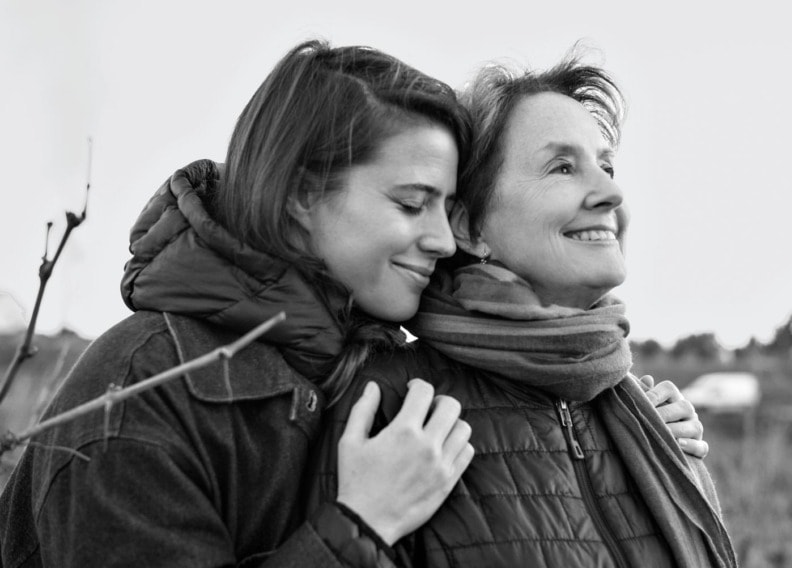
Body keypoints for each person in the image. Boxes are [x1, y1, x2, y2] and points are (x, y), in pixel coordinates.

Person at [0, 40, 476, 567]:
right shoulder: (141, 388)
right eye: (412, 203)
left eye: (448, 210)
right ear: (301, 196)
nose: (443, 240)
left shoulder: (382, 373)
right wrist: (358, 528)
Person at [310, 50, 737, 567]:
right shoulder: (394, 403)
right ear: (470, 228)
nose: (610, 191)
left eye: (605, 165)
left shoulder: (638, 416)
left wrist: (667, 457)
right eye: (563, 167)